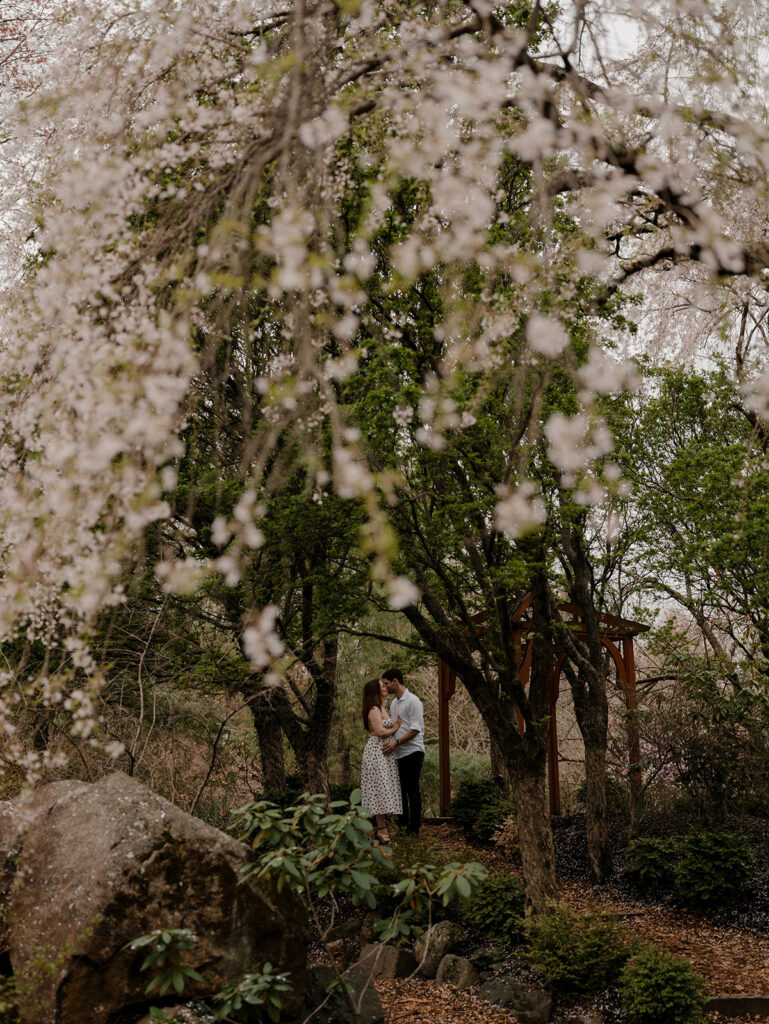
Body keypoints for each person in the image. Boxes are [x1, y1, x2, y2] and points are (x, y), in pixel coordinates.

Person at [382, 667, 425, 836]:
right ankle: (402, 827)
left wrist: (397, 742)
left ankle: (414, 829)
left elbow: (416, 729)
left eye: (387, 683)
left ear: (395, 681)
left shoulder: (413, 701)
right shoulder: (394, 703)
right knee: (400, 791)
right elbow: (395, 727)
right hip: (398, 752)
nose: (385, 687)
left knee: (412, 790)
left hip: (413, 751)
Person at [360, 678, 402, 842]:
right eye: (382, 686)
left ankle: (380, 828)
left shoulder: (382, 708)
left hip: (385, 754)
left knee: (384, 789)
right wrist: (395, 728)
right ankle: (376, 829)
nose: (385, 687)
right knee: (377, 789)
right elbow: (380, 732)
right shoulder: (373, 710)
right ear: (376, 691)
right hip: (376, 752)